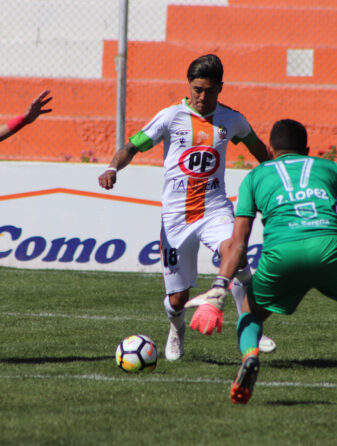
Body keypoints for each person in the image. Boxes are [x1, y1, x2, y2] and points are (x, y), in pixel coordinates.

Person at [98, 54, 276, 360]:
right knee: (178, 298)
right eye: (197, 89)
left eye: (209, 90)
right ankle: (176, 328)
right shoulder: (169, 117)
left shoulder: (232, 120)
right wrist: (113, 168)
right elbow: (131, 147)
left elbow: (259, 149)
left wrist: (277, 179)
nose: (202, 96)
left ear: (221, 87)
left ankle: (250, 328)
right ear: (188, 86)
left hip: (215, 209)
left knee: (235, 255)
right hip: (176, 219)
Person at [186, 119, 337, 403]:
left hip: (281, 254)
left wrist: (219, 288)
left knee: (251, 314)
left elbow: (238, 243)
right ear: (306, 149)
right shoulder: (328, 168)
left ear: (270, 149)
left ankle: (250, 357)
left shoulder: (255, 177)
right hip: (328, 246)